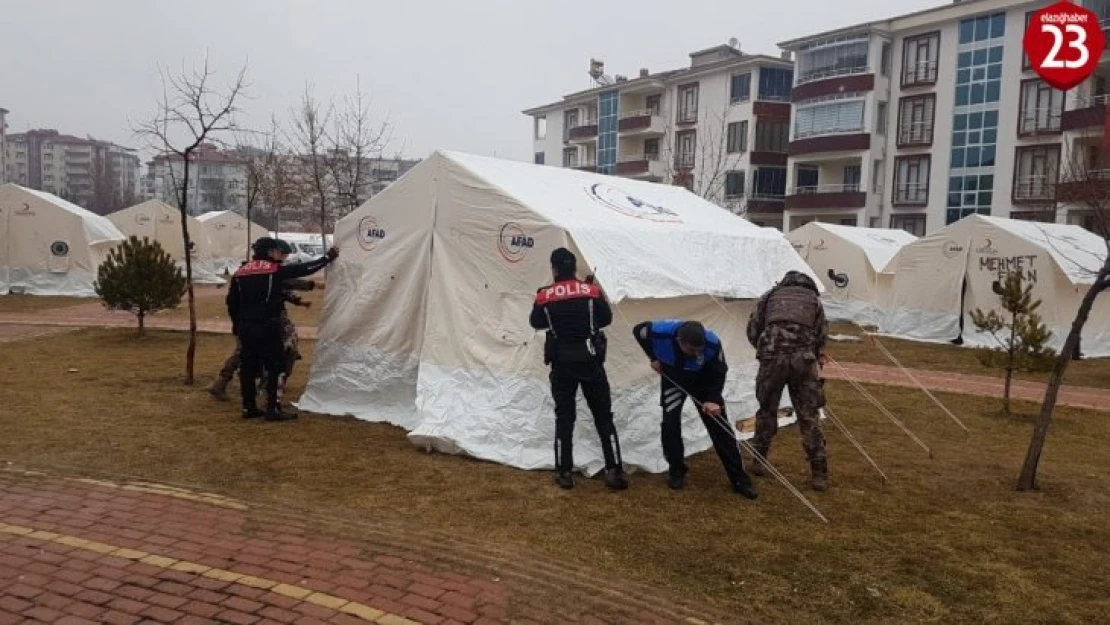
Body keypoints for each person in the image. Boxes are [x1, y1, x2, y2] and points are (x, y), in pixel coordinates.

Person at [529, 248, 627, 491]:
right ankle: (613, 470)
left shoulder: (545, 295)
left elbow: (536, 322)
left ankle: (564, 473)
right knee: (604, 417)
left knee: (565, 419)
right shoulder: (591, 292)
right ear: (574, 269)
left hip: (562, 363)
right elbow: (605, 319)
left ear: (554, 269)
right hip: (590, 361)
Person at [632, 319, 757, 499]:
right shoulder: (661, 331)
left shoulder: (712, 342)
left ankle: (739, 479)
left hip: (704, 383)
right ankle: (676, 470)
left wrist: (713, 399)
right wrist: (653, 357)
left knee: (720, 427)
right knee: (670, 423)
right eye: (691, 350)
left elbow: (719, 371)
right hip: (674, 380)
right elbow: (638, 329)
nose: (695, 353)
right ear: (679, 341)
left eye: (699, 349)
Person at [227, 237, 337, 421]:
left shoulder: (240, 272)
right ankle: (273, 408)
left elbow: (231, 303)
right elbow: (304, 269)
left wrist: (237, 325)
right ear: (270, 252)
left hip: (246, 326)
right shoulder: (274, 270)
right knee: (277, 365)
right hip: (268, 325)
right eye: (277, 251)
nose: (280, 255)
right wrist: (327, 258)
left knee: (248, 367)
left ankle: (249, 407)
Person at [746, 270, 830, 492]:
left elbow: (753, 329)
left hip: (772, 359)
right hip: (804, 361)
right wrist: (814, 352)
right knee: (809, 417)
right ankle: (819, 473)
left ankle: (758, 462)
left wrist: (766, 350)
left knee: (766, 410)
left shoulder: (769, 296)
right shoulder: (814, 301)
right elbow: (822, 334)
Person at [207, 277, 314, 402]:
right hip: (270, 318)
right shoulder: (269, 272)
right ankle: (270, 386)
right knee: (289, 347)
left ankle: (221, 382)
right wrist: (308, 287)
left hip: (247, 318)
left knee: (243, 350)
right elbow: (283, 284)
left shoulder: (246, 273)